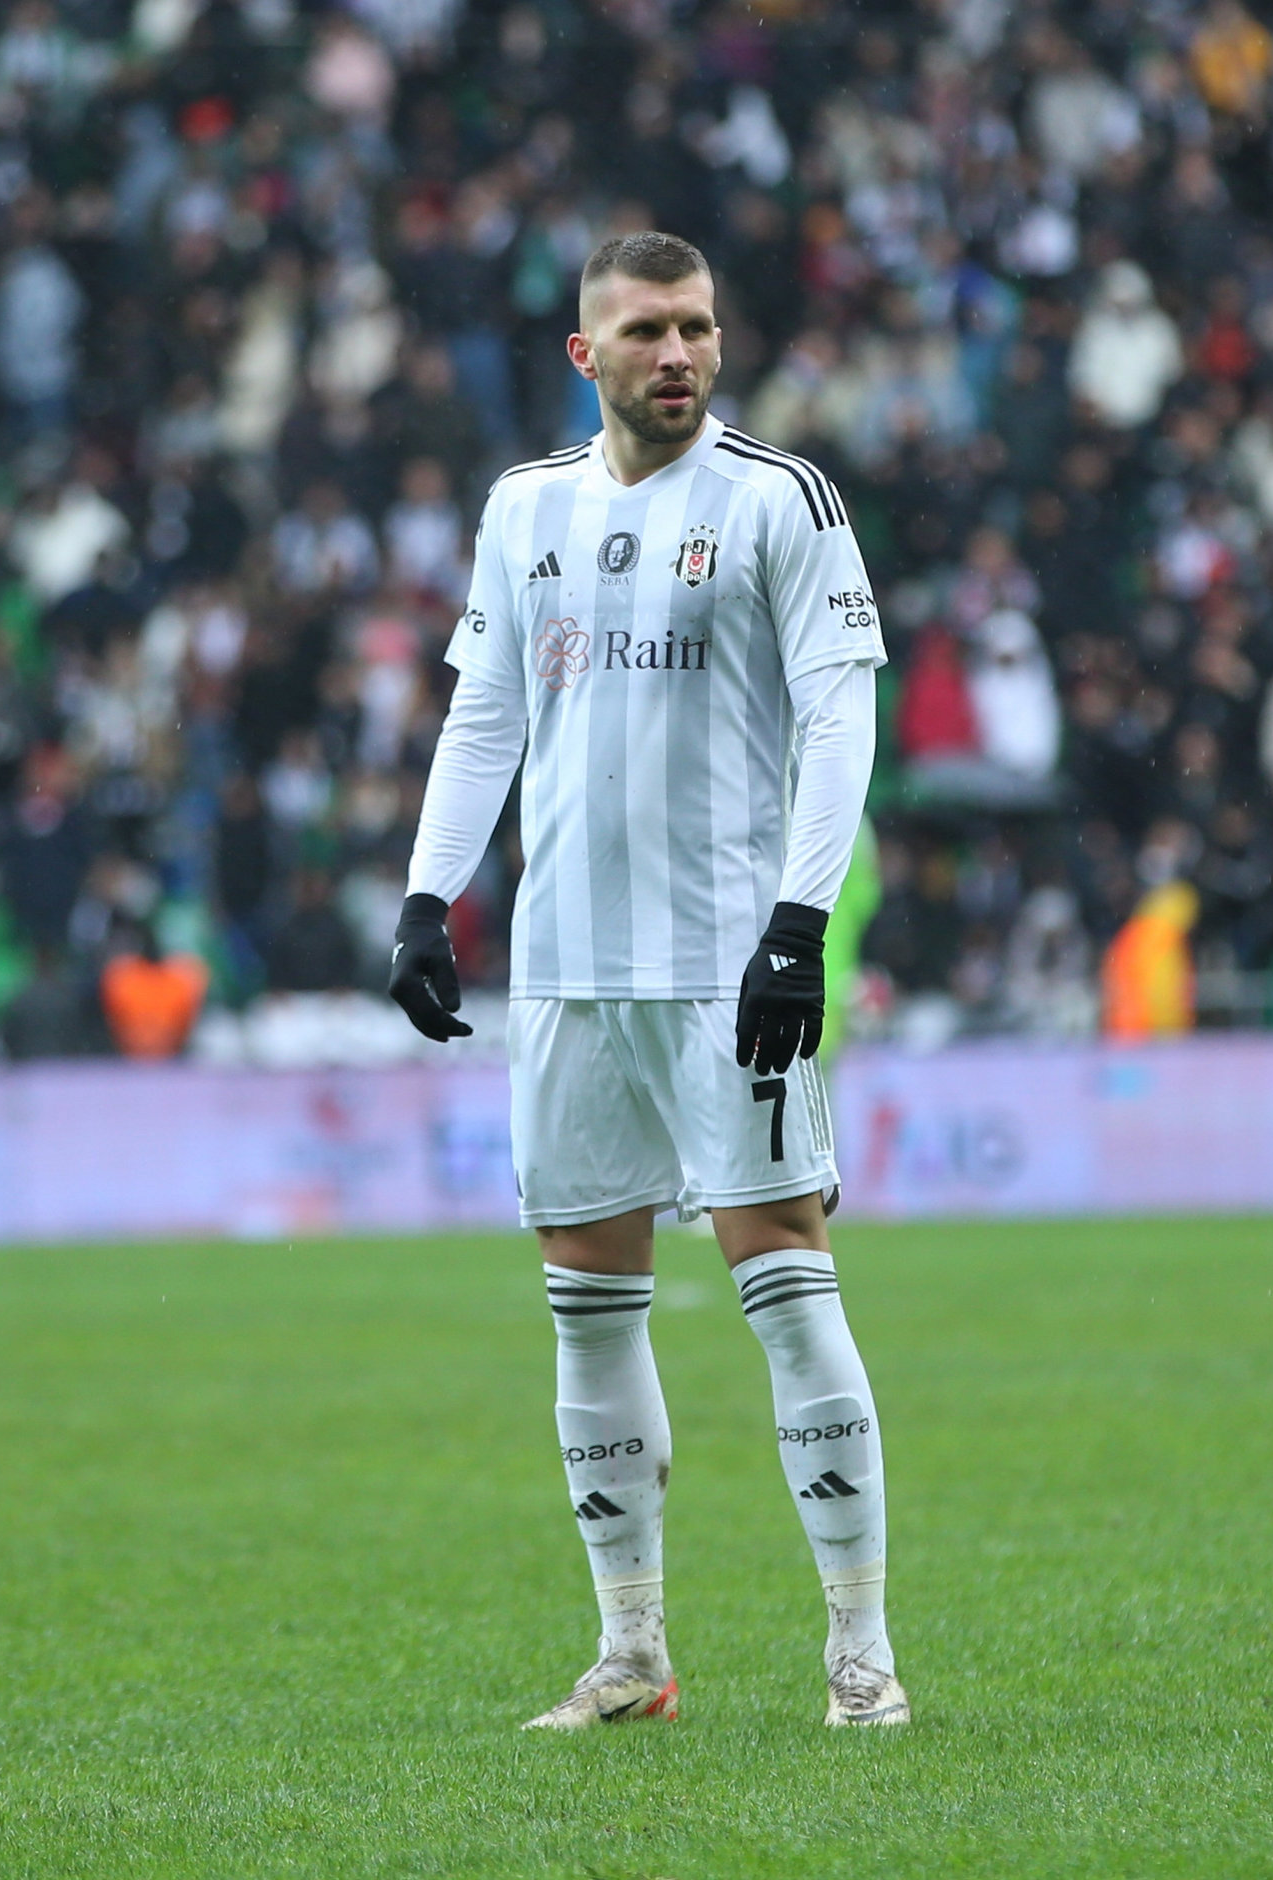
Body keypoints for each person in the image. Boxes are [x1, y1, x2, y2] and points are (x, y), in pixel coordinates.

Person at [387, 232, 906, 1731]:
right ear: (585, 353)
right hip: (563, 976)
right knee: (588, 1314)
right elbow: (485, 711)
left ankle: (859, 1655)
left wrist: (801, 922)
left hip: (721, 969)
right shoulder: (522, 509)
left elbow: (840, 719)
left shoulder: (779, 501)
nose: (676, 354)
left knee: (789, 1293)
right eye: (645, 332)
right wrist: (431, 895)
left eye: (696, 328)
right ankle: (631, 1653)